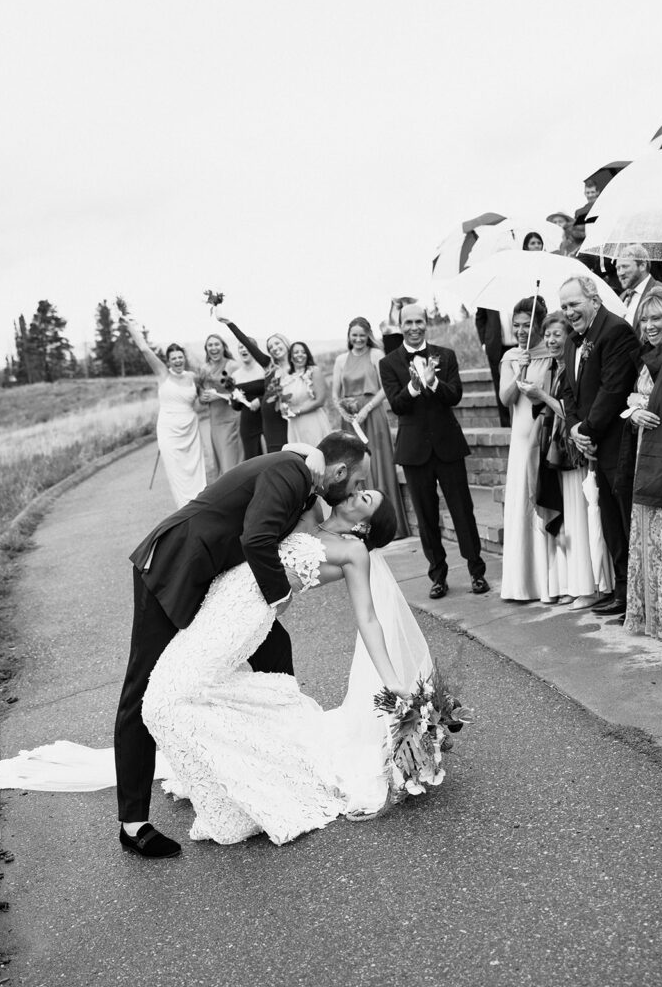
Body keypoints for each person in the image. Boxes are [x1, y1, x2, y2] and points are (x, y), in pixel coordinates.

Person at [115, 432, 371, 858]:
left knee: (275, 648)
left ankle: (284, 758)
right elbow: (256, 538)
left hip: (215, 581)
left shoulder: (304, 475)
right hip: (173, 568)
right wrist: (281, 596)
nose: (358, 491)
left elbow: (300, 458)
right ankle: (133, 823)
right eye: (358, 483)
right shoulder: (291, 473)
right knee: (142, 688)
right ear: (340, 472)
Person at [141, 485, 430, 846]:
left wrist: (392, 681)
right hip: (223, 595)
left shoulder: (354, 551)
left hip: (245, 616)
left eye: (365, 499)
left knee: (171, 695)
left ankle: (228, 807)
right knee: (185, 691)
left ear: (366, 528)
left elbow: (368, 618)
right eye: (360, 488)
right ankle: (224, 766)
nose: (356, 493)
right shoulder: (311, 512)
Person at [379, 302, 489, 599]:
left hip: (448, 446)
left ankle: (476, 571)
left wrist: (433, 381)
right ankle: (437, 576)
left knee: (463, 511)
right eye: (408, 322)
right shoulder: (389, 363)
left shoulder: (446, 355)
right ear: (400, 325)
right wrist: (414, 387)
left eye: (419, 321)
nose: (414, 327)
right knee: (427, 518)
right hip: (414, 451)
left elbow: (455, 396)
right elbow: (398, 405)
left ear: (426, 323)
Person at [517, 311, 613, 607]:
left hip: (575, 451)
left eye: (557, 334)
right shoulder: (552, 369)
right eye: (547, 335)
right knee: (568, 520)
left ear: (569, 336)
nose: (551, 340)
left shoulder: (574, 367)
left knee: (581, 518)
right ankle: (574, 583)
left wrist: (542, 397)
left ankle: (593, 586)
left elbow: (572, 410)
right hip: (555, 452)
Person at [560, 276, 640, 618]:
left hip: (617, 443)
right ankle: (620, 592)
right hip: (593, 442)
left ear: (593, 299)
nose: (569, 312)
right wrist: (574, 427)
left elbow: (613, 389)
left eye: (574, 304)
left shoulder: (615, 331)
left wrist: (587, 431)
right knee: (609, 521)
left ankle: (637, 597)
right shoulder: (572, 341)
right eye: (563, 307)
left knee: (625, 519)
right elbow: (568, 390)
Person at [498, 296, 561, 602]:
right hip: (520, 445)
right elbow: (505, 398)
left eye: (527, 325)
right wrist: (519, 372)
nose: (521, 331)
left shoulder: (551, 354)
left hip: (544, 438)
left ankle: (550, 583)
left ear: (539, 324)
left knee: (545, 500)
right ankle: (523, 583)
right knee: (522, 506)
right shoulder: (510, 357)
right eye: (517, 325)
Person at [624, 288, 662, 641]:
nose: (650, 325)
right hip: (647, 449)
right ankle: (650, 615)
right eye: (645, 318)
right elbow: (636, 398)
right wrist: (634, 410)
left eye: (657, 318)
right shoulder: (647, 358)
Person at [331, 317, 410, 538]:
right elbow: (335, 394)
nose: (358, 339)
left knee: (378, 463)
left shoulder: (376, 355)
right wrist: (343, 411)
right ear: (349, 335)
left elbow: (386, 387)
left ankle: (387, 525)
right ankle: (360, 524)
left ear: (368, 335)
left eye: (362, 335)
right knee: (355, 468)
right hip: (350, 419)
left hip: (372, 414)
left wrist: (366, 409)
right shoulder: (340, 360)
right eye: (354, 335)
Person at [125, 316, 206, 508]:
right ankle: (184, 508)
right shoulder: (163, 374)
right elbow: (144, 349)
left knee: (194, 469)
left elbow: (202, 399)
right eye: (174, 358)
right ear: (168, 361)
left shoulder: (193, 377)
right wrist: (129, 325)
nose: (178, 360)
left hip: (190, 430)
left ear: (184, 358)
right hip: (169, 430)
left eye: (180, 357)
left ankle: (200, 505)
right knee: (176, 471)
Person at [212, 306, 292, 452]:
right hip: (271, 423)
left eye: (277, 343)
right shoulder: (269, 366)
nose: (274, 348)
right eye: (270, 347)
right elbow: (248, 345)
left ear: (286, 343)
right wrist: (229, 323)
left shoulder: (298, 367)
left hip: (292, 419)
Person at [198, 333, 243, 476]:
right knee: (222, 461)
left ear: (223, 347)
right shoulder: (204, 369)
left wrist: (217, 396)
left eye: (217, 344)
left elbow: (240, 395)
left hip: (232, 419)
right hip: (215, 421)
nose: (214, 348)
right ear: (206, 349)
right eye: (210, 345)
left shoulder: (232, 366)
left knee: (232, 462)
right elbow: (202, 396)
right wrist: (203, 398)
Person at [282, 341, 331, 446]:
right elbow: (284, 401)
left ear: (307, 355)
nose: (300, 354)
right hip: (294, 424)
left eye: (303, 352)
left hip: (312, 421)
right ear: (290, 357)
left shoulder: (314, 371)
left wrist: (298, 411)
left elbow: (320, 401)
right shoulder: (287, 378)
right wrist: (284, 409)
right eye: (296, 352)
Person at [615, 243, 662, 329]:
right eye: (618, 268)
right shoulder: (621, 297)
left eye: (625, 266)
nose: (620, 273)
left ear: (642, 266)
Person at [231, 340, 265, 459]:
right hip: (248, 423)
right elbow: (236, 407)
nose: (243, 350)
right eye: (240, 347)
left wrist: (260, 400)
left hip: (266, 418)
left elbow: (275, 392)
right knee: (253, 459)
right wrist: (234, 398)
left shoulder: (264, 370)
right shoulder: (235, 375)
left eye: (246, 347)